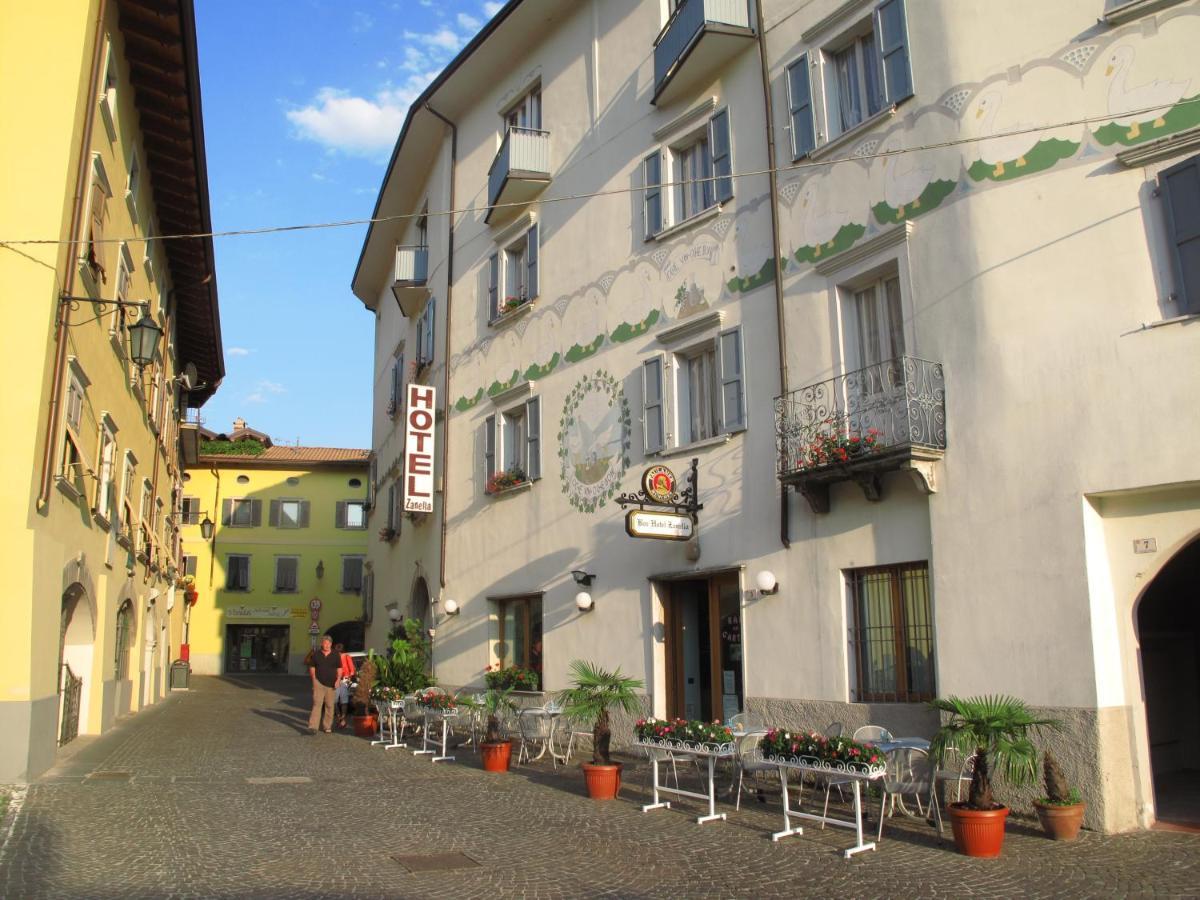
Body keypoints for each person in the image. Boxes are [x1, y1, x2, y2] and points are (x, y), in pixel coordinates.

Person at [307, 635, 343, 734]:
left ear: (331, 644)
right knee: (317, 704)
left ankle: (327, 726)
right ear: (322, 644)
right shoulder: (316, 654)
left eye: (329, 643)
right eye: (325, 643)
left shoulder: (336, 655)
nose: (327, 645)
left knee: (329, 705)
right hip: (318, 682)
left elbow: (339, 668)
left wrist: (338, 679)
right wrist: (314, 678)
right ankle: (313, 727)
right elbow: (312, 667)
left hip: (331, 684)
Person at [334, 643, 357, 728]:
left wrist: (347, 678)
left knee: (343, 700)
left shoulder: (346, 656)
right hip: (335, 680)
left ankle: (342, 719)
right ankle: (339, 718)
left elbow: (352, 670)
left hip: (344, 680)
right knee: (335, 701)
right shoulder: (334, 657)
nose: (338, 653)